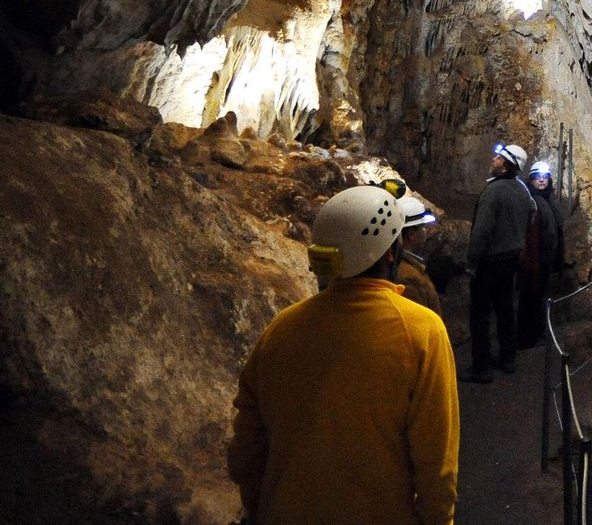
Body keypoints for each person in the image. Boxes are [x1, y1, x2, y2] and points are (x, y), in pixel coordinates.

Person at [227, 185, 459, 525]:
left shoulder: (282, 329)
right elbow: (436, 461)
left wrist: (260, 505)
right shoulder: (422, 332)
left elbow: (247, 448)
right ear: (391, 254)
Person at [462, 142, 533, 383]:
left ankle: (481, 367)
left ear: (506, 165)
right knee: (505, 309)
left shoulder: (493, 192)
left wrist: (471, 262)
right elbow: (530, 216)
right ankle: (507, 358)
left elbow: (481, 232)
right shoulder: (523, 191)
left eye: (498, 158)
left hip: (490, 261)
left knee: (480, 314)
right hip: (511, 259)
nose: (493, 159)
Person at [518, 158, 568, 348]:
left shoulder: (549, 199)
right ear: (530, 180)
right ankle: (525, 338)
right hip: (532, 259)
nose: (541, 180)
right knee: (529, 298)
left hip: (545, 259)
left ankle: (535, 333)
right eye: (537, 177)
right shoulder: (530, 201)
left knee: (537, 297)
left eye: (545, 177)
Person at [396, 195, 443, 317]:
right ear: (411, 234)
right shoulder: (407, 278)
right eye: (423, 228)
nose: (426, 231)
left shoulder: (408, 266)